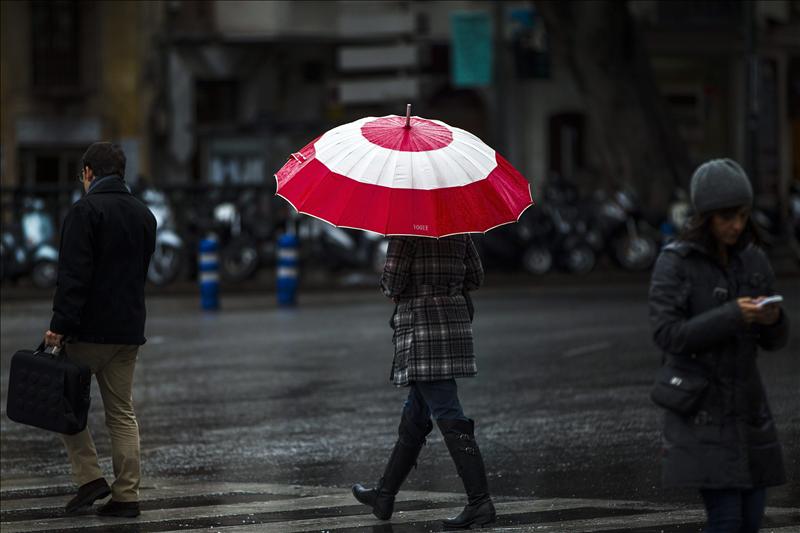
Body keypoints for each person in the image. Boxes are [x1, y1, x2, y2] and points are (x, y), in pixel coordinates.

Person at [648, 159, 789, 533]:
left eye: (742, 216)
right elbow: (668, 334)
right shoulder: (676, 262)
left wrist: (773, 320)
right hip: (703, 413)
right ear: (705, 216)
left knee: (750, 523)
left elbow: (775, 341)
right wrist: (732, 315)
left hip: (749, 412)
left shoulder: (753, 258)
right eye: (726, 217)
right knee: (726, 522)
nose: (736, 226)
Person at [43, 142, 156, 518]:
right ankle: (127, 497)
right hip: (127, 332)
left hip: (88, 332)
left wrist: (59, 327)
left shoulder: (84, 211)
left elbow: (73, 277)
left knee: (63, 405)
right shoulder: (144, 214)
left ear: (89, 172)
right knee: (121, 414)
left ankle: (90, 477)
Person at [352, 234, 495, 529]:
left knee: (447, 411)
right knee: (416, 414)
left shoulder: (406, 233)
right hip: (452, 327)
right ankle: (384, 494)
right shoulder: (459, 230)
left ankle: (480, 502)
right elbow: (476, 277)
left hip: (422, 332)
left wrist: (394, 288)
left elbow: (392, 282)